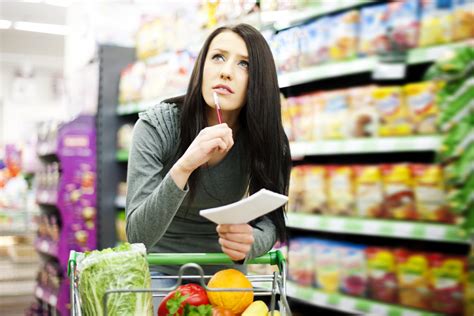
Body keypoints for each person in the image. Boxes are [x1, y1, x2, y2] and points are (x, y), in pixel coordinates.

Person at [125, 23, 291, 288]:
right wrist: (185, 166)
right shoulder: (157, 126)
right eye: (218, 57)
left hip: (225, 278)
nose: (226, 72)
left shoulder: (267, 138)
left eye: (244, 64)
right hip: (157, 271)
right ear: (201, 67)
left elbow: (271, 221)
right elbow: (137, 234)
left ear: (259, 81)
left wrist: (250, 242)